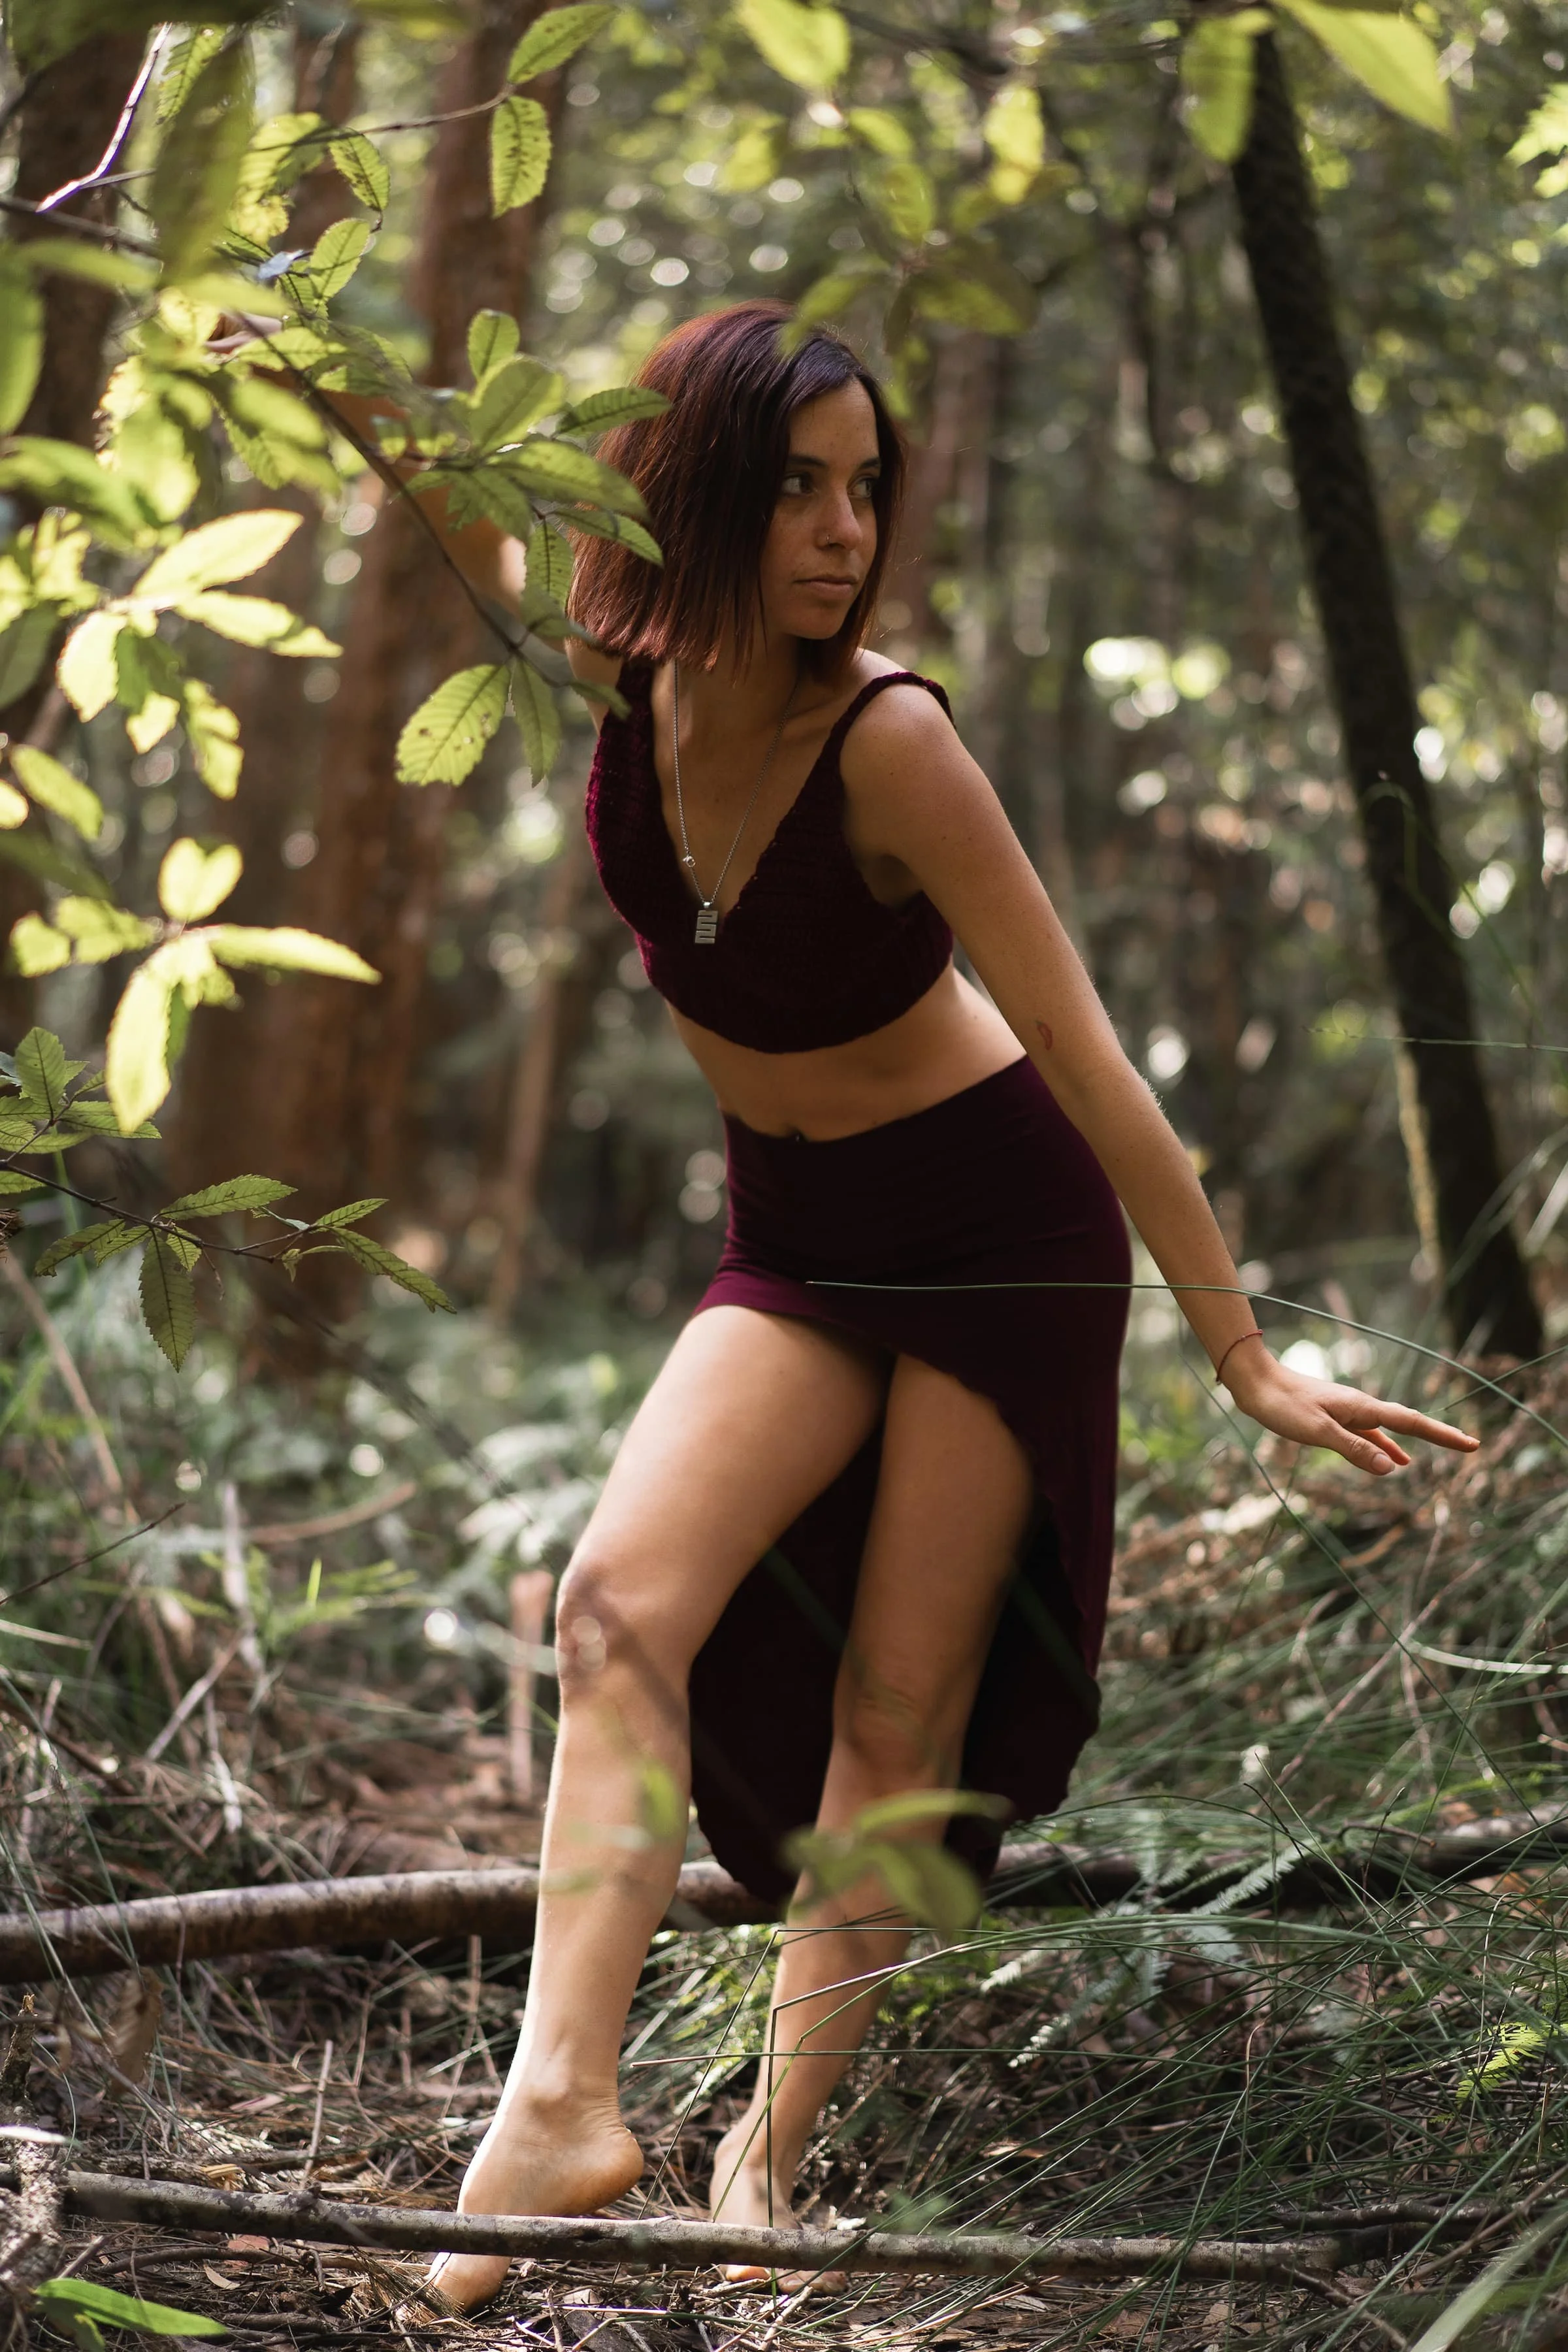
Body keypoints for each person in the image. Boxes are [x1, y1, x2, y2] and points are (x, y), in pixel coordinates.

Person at [427, 301, 1476, 2311]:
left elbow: (1085, 1059)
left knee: (894, 1716)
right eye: (801, 485)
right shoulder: (613, 678)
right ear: (694, 493)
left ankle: (762, 2162)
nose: (846, 528)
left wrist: (1241, 1351)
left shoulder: (892, 740)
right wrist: (295, 366)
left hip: (1004, 1224)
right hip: (796, 1230)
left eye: (866, 488)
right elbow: (457, 483)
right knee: (615, 1606)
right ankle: (558, 2105)